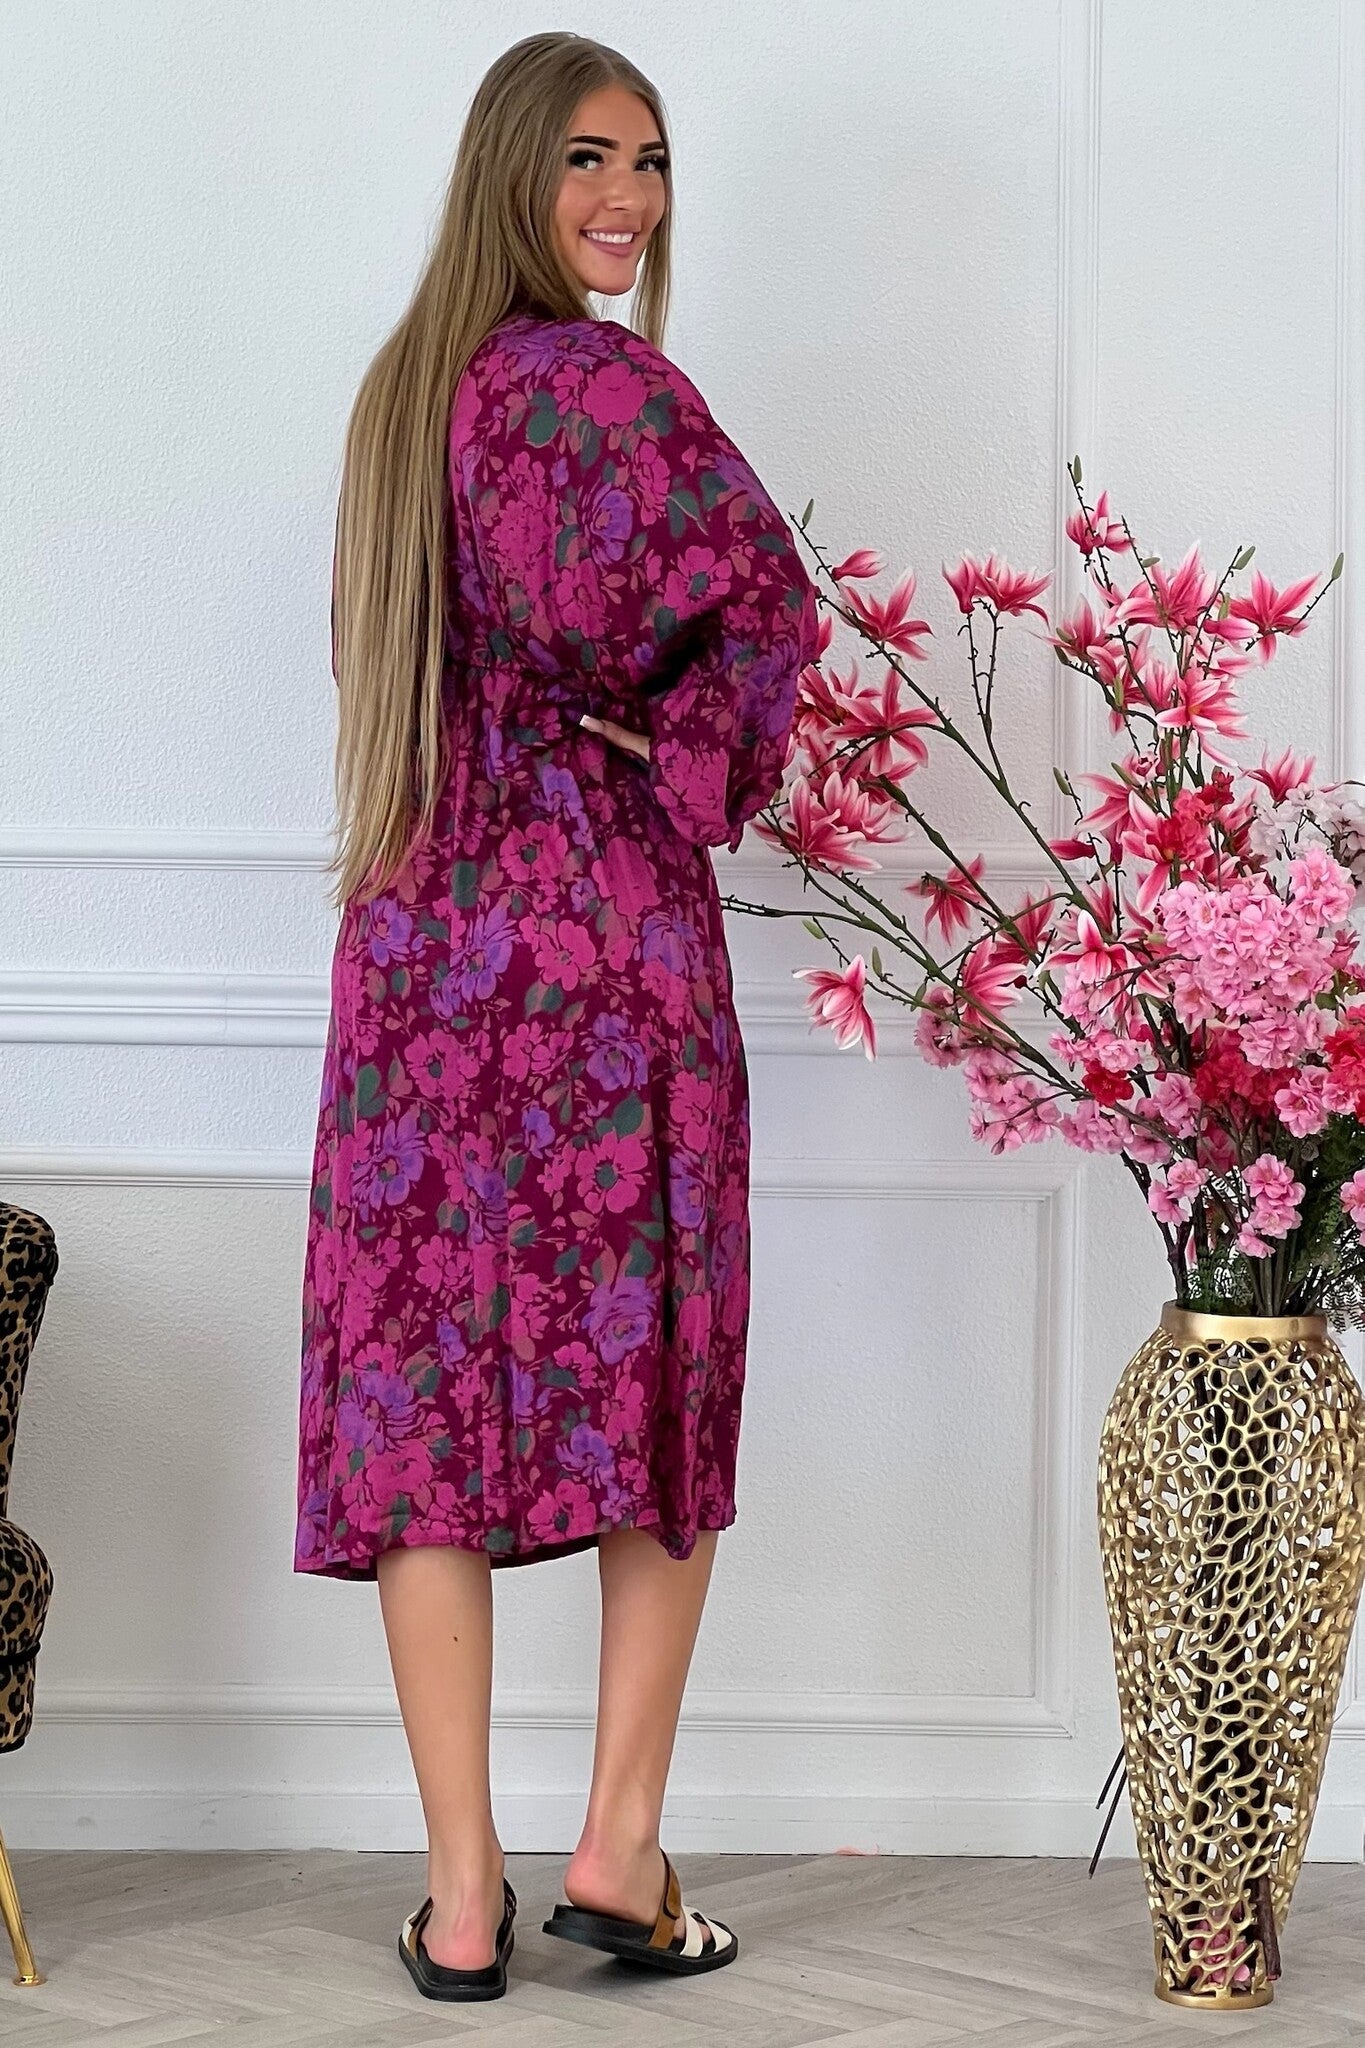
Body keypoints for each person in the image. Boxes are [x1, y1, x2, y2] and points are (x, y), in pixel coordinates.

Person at [293, 30, 820, 2004]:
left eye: (651, 161)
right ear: (512, 170)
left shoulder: (398, 402)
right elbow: (764, 606)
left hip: (420, 959)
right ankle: (618, 1842)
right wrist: (670, 752)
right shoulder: (609, 389)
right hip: (605, 953)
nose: (627, 198)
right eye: (588, 157)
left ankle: (460, 1899)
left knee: (425, 1398)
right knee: (654, 1372)